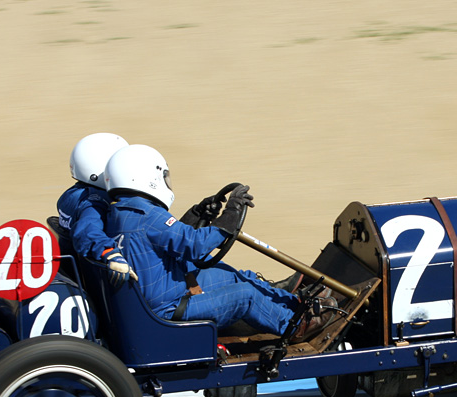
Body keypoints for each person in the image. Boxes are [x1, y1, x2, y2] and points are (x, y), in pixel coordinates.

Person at [102, 143, 338, 340]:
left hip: (164, 292)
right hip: (168, 309)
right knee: (245, 294)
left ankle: (293, 303)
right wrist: (230, 216)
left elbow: (170, 240)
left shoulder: (123, 214)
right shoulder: (147, 217)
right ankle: (296, 326)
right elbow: (194, 246)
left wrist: (198, 214)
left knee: (232, 274)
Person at [56, 133, 135, 288]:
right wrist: (109, 252)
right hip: (100, 279)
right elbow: (87, 230)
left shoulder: (71, 195)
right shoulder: (94, 203)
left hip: (74, 270)